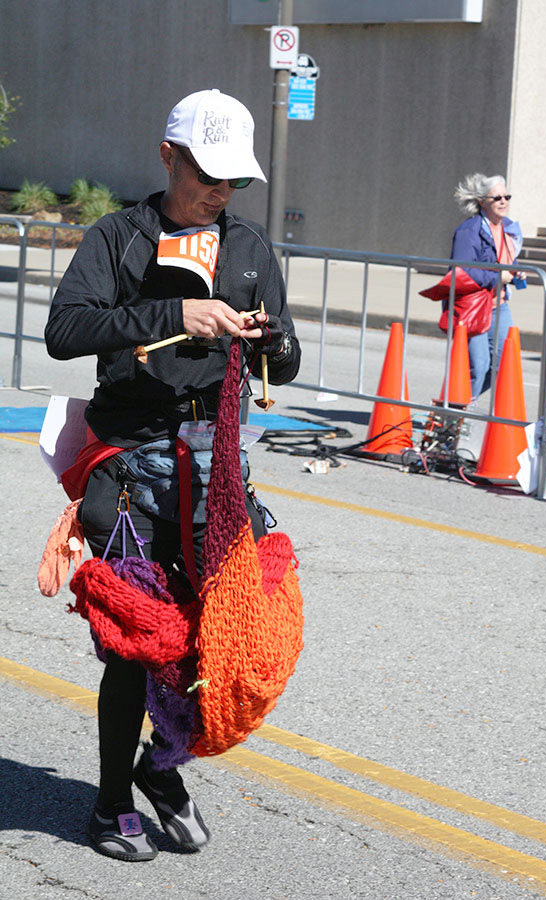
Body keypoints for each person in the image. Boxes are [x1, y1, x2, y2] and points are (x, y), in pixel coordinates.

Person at [45, 89, 301, 862]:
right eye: (205, 175)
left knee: (216, 633)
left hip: (218, 464)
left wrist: (271, 344)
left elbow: (283, 357)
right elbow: (66, 330)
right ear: (168, 156)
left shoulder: (251, 247)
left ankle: (162, 769)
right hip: (130, 463)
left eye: (232, 181)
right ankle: (110, 800)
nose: (218, 193)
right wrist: (174, 316)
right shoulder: (119, 237)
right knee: (136, 638)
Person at [451, 173, 525, 399]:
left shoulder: (508, 228)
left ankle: (458, 404)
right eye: (497, 198)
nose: (503, 201)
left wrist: (516, 270)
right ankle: (456, 416)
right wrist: (497, 277)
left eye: (506, 196)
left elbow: (505, 259)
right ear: (482, 201)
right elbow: (459, 271)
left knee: (505, 366)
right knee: (478, 366)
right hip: (473, 306)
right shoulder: (470, 230)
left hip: (499, 305)